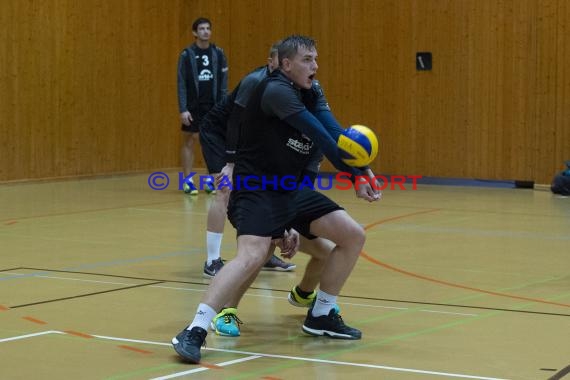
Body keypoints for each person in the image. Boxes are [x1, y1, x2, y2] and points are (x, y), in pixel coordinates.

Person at [172, 35, 381, 364]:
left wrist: (361, 170)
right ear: (286, 65)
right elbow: (321, 137)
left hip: (290, 189)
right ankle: (194, 329)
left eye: (316, 58)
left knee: (353, 234)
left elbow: (335, 132)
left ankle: (320, 315)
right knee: (253, 255)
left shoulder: (313, 90)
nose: (315, 65)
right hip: (255, 189)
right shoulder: (275, 91)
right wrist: (355, 173)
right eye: (307, 60)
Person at [197, 43, 296, 277]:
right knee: (224, 190)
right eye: (277, 61)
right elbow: (234, 123)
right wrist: (230, 165)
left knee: (259, 191)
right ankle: (212, 260)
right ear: (271, 61)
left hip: (243, 138)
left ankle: (264, 253)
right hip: (218, 134)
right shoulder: (255, 81)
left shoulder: (286, 86)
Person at [177, 17, 228, 195]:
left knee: (211, 142)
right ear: (194, 33)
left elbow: (223, 83)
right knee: (189, 140)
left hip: (213, 106)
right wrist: (183, 108)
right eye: (201, 29)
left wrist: (223, 106)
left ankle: (209, 180)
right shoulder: (187, 54)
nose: (206, 31)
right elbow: (181, 82)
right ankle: (187, 181)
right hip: (193, 106)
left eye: (208, 28)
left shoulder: (218, 53)